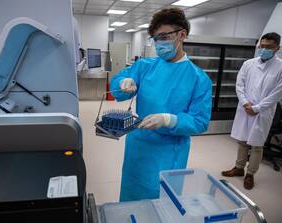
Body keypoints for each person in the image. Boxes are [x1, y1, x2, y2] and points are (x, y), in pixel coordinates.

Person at [110, 8, 212, 201]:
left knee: (160, 199)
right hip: (138, 145)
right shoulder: (145, 66)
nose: (159, 43)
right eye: (156, 38)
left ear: (182, 34)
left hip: (169, 152)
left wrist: (169, 120)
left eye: (164, 36)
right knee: (131, 194)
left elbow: (200, 121)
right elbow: (118, 86)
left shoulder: (199, 78)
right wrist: (122, 83)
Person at [222, 32, 282, 190]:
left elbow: (277, 93)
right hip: (245, 108)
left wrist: (257, 108)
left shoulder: (280, 67)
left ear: (277, 48)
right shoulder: (248, 64)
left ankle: (250, 174)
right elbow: (239, 85)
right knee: (242, 141)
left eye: (269, 47)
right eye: (262, 46)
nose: (264, 49)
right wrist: (245, 103)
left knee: (256, 145)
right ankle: (239, 168)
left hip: (263, 112)